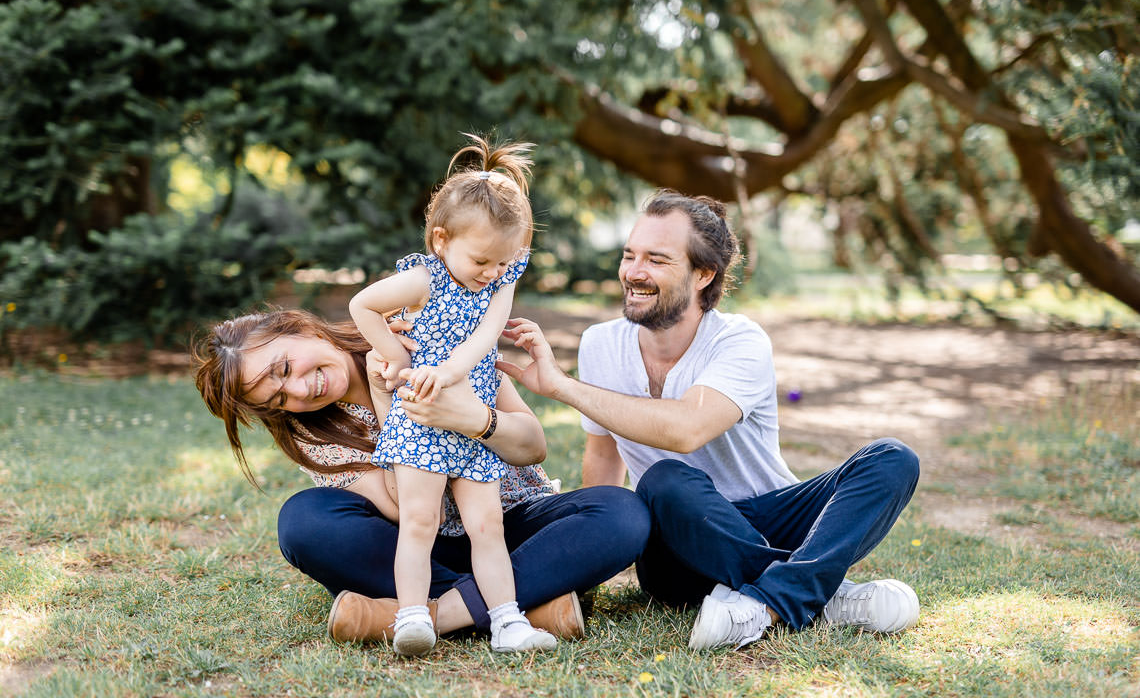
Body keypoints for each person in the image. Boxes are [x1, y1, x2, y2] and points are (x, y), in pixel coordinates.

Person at [499, 190, 921, 650]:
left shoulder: (741, 341)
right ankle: (822, 594)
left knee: (892, 459)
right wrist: (588, 568)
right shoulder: (601, 344)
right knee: (664, 480)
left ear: (703, 274)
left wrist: (563, 386)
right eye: (629, 255)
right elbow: (604, 457)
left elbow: (686, 429)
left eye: (657, 260)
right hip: (676, 547)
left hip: (768, 516)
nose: (634, 273)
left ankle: (769, 603)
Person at [192, 308, 649, 653]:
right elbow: (401, 508)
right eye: (278, 399)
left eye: (285, 369)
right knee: (303, 522)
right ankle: (522, 607)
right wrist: (382, 397)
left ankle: (430, 616)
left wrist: (473, 418)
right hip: (421, 547)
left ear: (300, 328)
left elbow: (532, 446)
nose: (297, 391)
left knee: (621, 513)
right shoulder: (312, 431)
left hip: (509, 523)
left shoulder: (425, 333)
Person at [347, 135, 552, 656]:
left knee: (488, 523)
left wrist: (449, 369)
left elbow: (488, 334)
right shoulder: (422, 279)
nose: (494, 272)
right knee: (421, 520)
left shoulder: (501, 276)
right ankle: (413, 616)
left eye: (504, 263)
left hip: (471, 416)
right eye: (483, 261)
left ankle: (508, 622)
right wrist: (394, 356)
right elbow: (362, 306)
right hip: (421, 418)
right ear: (441, 240)